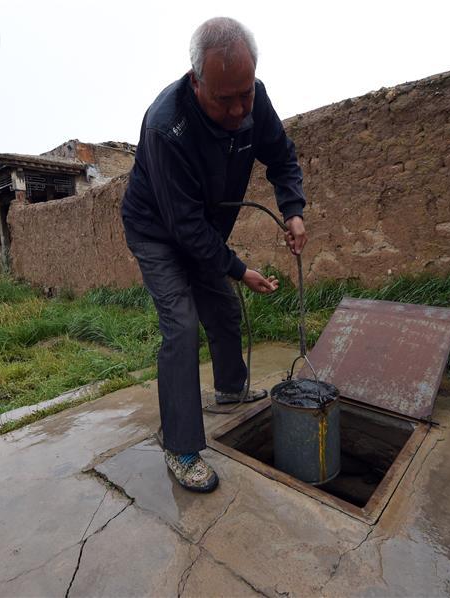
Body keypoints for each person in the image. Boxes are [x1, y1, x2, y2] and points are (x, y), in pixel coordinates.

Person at [121, 16, 308, 493]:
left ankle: (230, 390)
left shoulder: (252, 97)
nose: (238, 109)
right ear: (196, 82)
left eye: (245, 94)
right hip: (157, 231)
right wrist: (240, 269)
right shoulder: (166, 127)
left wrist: (292, 210)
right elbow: (183, 227)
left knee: (223, 309)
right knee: (182, 325)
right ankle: (181, 448)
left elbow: (281, 157)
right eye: (225, 99)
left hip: (199, 227)